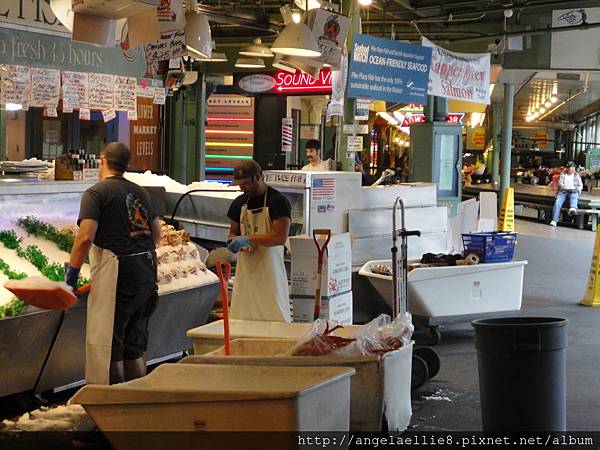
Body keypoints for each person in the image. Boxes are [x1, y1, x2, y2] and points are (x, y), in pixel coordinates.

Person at [66, 142, 161, 385]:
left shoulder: (96, 193)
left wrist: (71, 278)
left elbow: (85, 236)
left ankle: (114, 404)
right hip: (147, 274)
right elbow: (156, 234)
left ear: (103, 159)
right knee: (134, 346)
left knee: (110, 346)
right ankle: (138, 403)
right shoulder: (142, 192)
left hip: (120, 276)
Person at [226, 160, 292, 322]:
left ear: (257, 176)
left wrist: (249, 238)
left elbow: (279, 236)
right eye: (239, 185)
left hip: (271, 273)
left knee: (275, 317)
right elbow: (233, 232)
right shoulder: (238, 203)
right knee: (242, 319)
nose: (242, 188)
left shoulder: (278, 201)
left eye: (246, 184)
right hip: (246, 273)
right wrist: (234, 241)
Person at [550, 161, 583, 227]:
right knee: (557, 203)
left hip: (573, 190)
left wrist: (577, 190)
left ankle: (573, 208)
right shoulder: (563, 174)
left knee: (574, 195)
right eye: (571, 168)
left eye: (573, 167)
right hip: (563, 191)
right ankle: (554, 220)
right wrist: (565, 189)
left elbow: (580, 185)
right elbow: (560, 184)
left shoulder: (576, 175)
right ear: (567, 168)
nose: (572, 169)